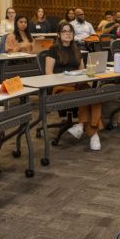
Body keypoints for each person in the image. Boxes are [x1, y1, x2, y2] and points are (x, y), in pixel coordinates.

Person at [45, 22, 103, 151]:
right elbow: (48, 73)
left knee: (95, 94)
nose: (68, 33)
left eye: (70, 31)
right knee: (84, 95)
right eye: (64, 31)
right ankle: (93, 135)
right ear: (59, 34)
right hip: (60, 86)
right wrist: (64, 79)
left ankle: (81, 125)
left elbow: (82, 71)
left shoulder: (76, 49)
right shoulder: (53, 49)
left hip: (77, 84)